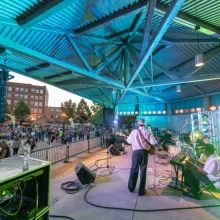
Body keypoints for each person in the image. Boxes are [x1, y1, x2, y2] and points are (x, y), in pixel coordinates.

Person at [126, 119, 157, 196]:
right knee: (143, 171)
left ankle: (131, 188)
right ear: (144, 124)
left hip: (136, 153)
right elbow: (154, 142)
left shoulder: (133, 132)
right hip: (144, 153)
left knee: (134, 170)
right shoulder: (147, 131)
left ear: (137, 124)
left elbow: (128, 142)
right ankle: (141, 191)